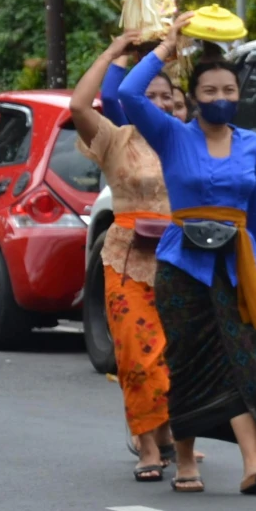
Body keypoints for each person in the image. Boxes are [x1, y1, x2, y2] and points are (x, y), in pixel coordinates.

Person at [118, 17, 256, 495]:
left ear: (240, 94)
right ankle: (187, 460)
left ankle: (253, 466)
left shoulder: (250, 143)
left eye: (229, 89)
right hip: (181, 262)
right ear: (193, 97)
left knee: (244, 357)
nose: (221, 97)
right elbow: (129, 96)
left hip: (238, 263)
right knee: (189, 357)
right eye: (210, 89)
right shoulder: (173, 134)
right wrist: (165, 50)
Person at [69, 30, 184, 484]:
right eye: (148, 94)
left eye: (167, 97)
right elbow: (80, 106)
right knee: (136, 354)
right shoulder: (117, 139)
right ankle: (149, 444)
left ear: (179, 105)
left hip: (180, 259)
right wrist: (115, 51)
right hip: (126, 258)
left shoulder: (187, 141)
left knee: (174, 354)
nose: (158, 103)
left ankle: (171, 429)